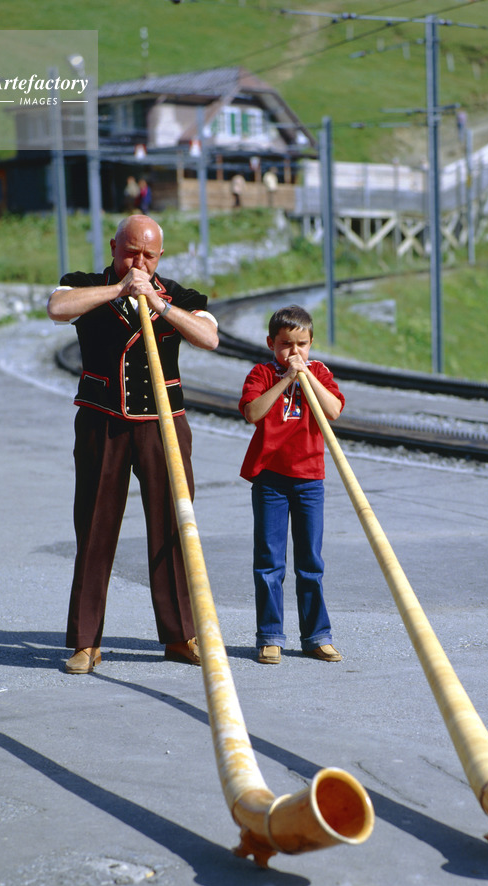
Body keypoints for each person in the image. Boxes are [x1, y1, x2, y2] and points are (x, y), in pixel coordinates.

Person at [47, 215, 220, 674]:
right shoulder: (87, 285)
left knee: (173, 526)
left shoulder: (179, 296)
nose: (138, 263)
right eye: (130, 253)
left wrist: (158, 304)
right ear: (113, 247)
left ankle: (180, 635)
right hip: (102, 422)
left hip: (164, 425)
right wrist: (119, 289)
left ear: (160, 257)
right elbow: (57, 307)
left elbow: (208, 337)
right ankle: (86, 641)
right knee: (94, 528)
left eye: (148, 255)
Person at [238, 305, 344, 665]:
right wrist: (286, 379)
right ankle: (270, 636)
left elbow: (334, 410)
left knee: (311, 562)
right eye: (286, 345)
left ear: (311, 344)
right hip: (270, 479)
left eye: (301, 344)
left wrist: (307, 376)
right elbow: (253, 412)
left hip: (309, 479)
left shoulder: (320, 372)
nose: (294, 352)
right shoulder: (262, 373)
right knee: (269, 562)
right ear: (271, 343)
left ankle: (317, 636)